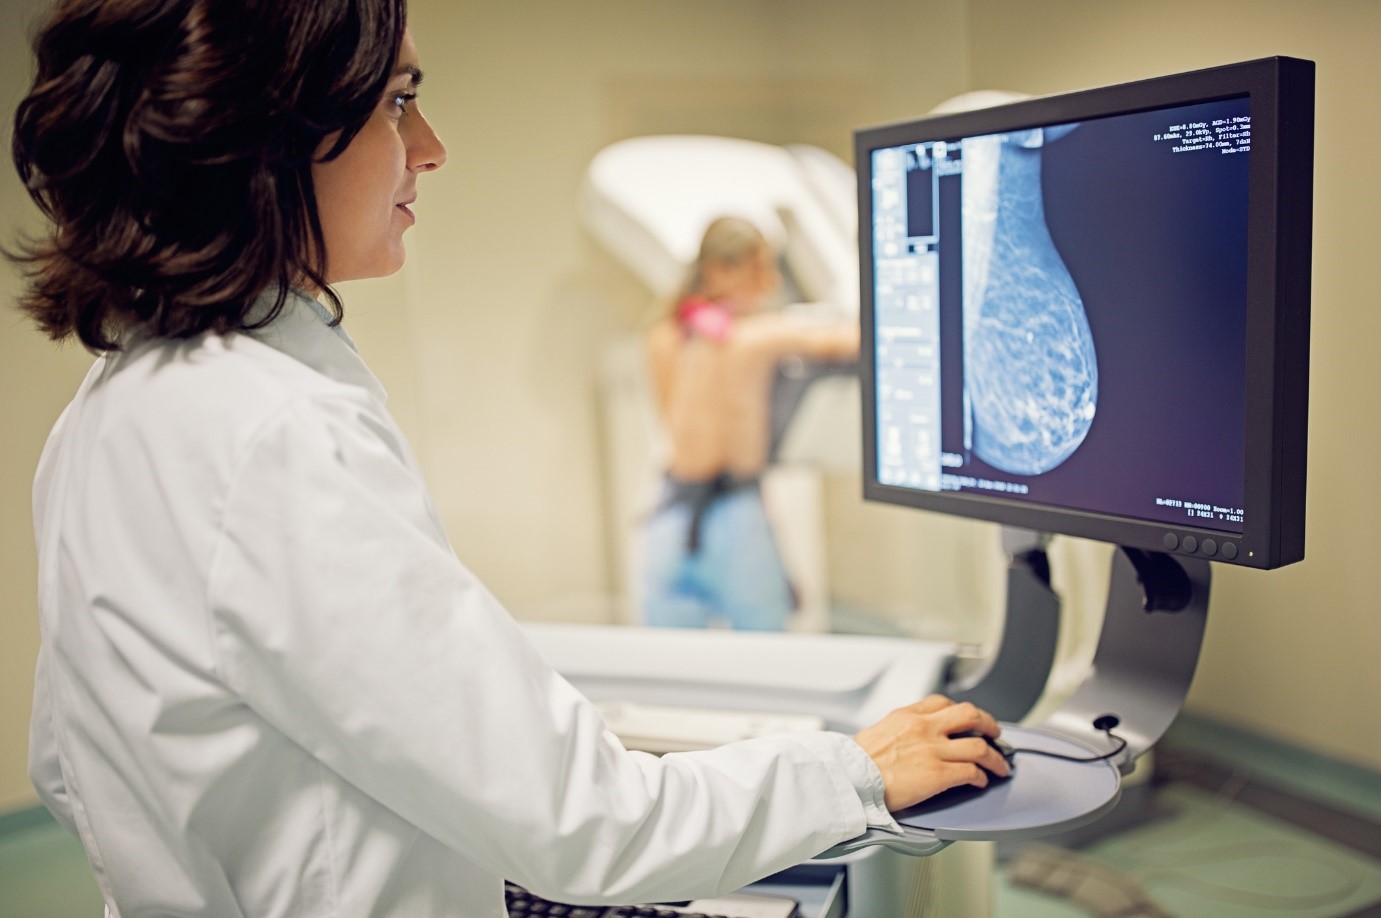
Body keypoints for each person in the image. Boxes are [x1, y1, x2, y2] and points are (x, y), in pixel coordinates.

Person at [11, 2, 1011, 915]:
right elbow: (592, 824)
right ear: (267, 136)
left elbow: (67, 764)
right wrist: (850, 772)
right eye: (398, 102)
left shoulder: (109, 408)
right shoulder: (274, 434)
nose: (431, 148)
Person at [643, 217, 858, 630]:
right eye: (759, 268)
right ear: (717, 271)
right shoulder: (755, 338)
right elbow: (852, 341)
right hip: (733, 516)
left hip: (669, 517)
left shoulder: (662, 338)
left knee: (671, 656)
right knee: (765, 648)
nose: (771, 282)